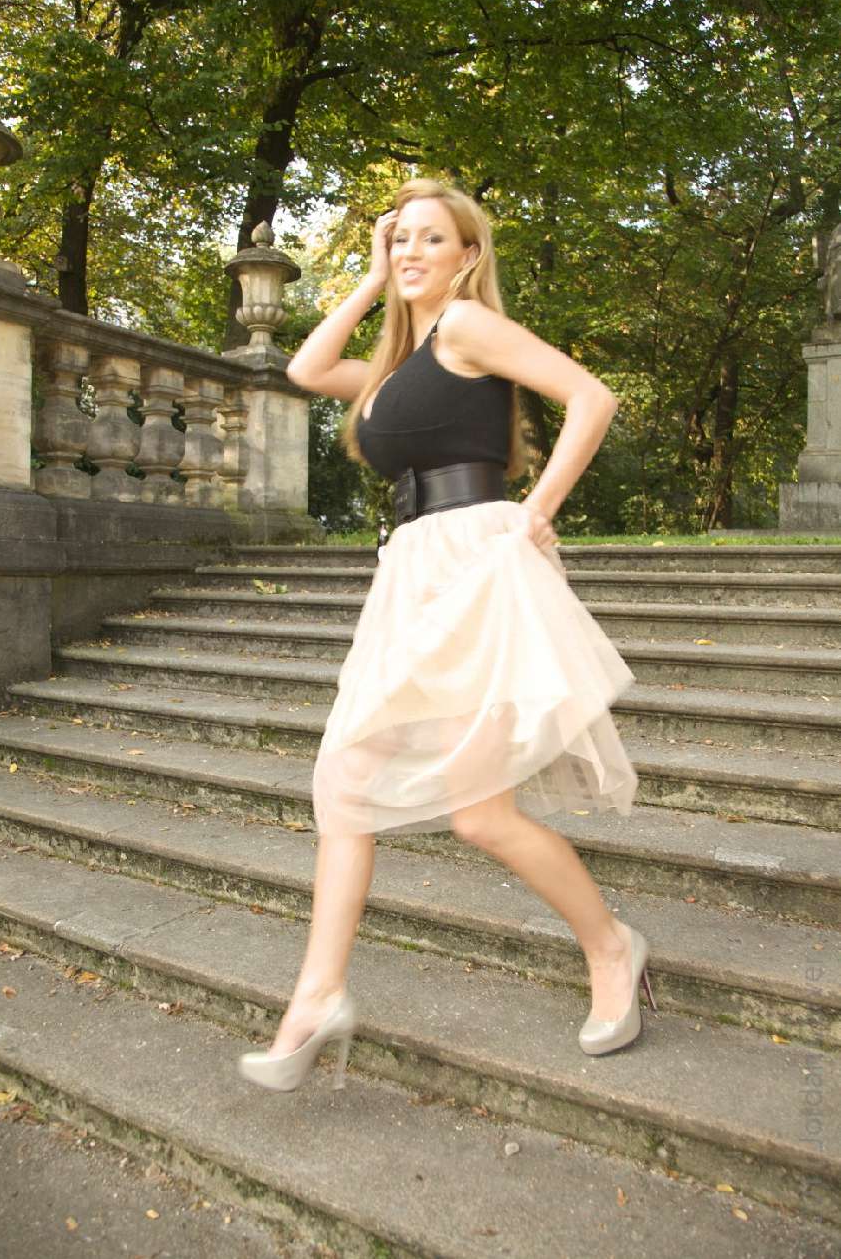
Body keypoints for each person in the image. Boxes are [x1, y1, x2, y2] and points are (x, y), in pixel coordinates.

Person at [239, 178, 656, 1094]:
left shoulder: (467, 328)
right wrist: (371, 276)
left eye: (433, 238)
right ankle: (317, 998)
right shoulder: (391, 371)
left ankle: (612, 946)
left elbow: (591, 396)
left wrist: (540, 510)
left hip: (477, 564)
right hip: (410, 576)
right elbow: (307, 369)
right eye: (403, 238)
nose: (414, 251)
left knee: (478, 814)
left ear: (468, 256)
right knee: (347, 782)